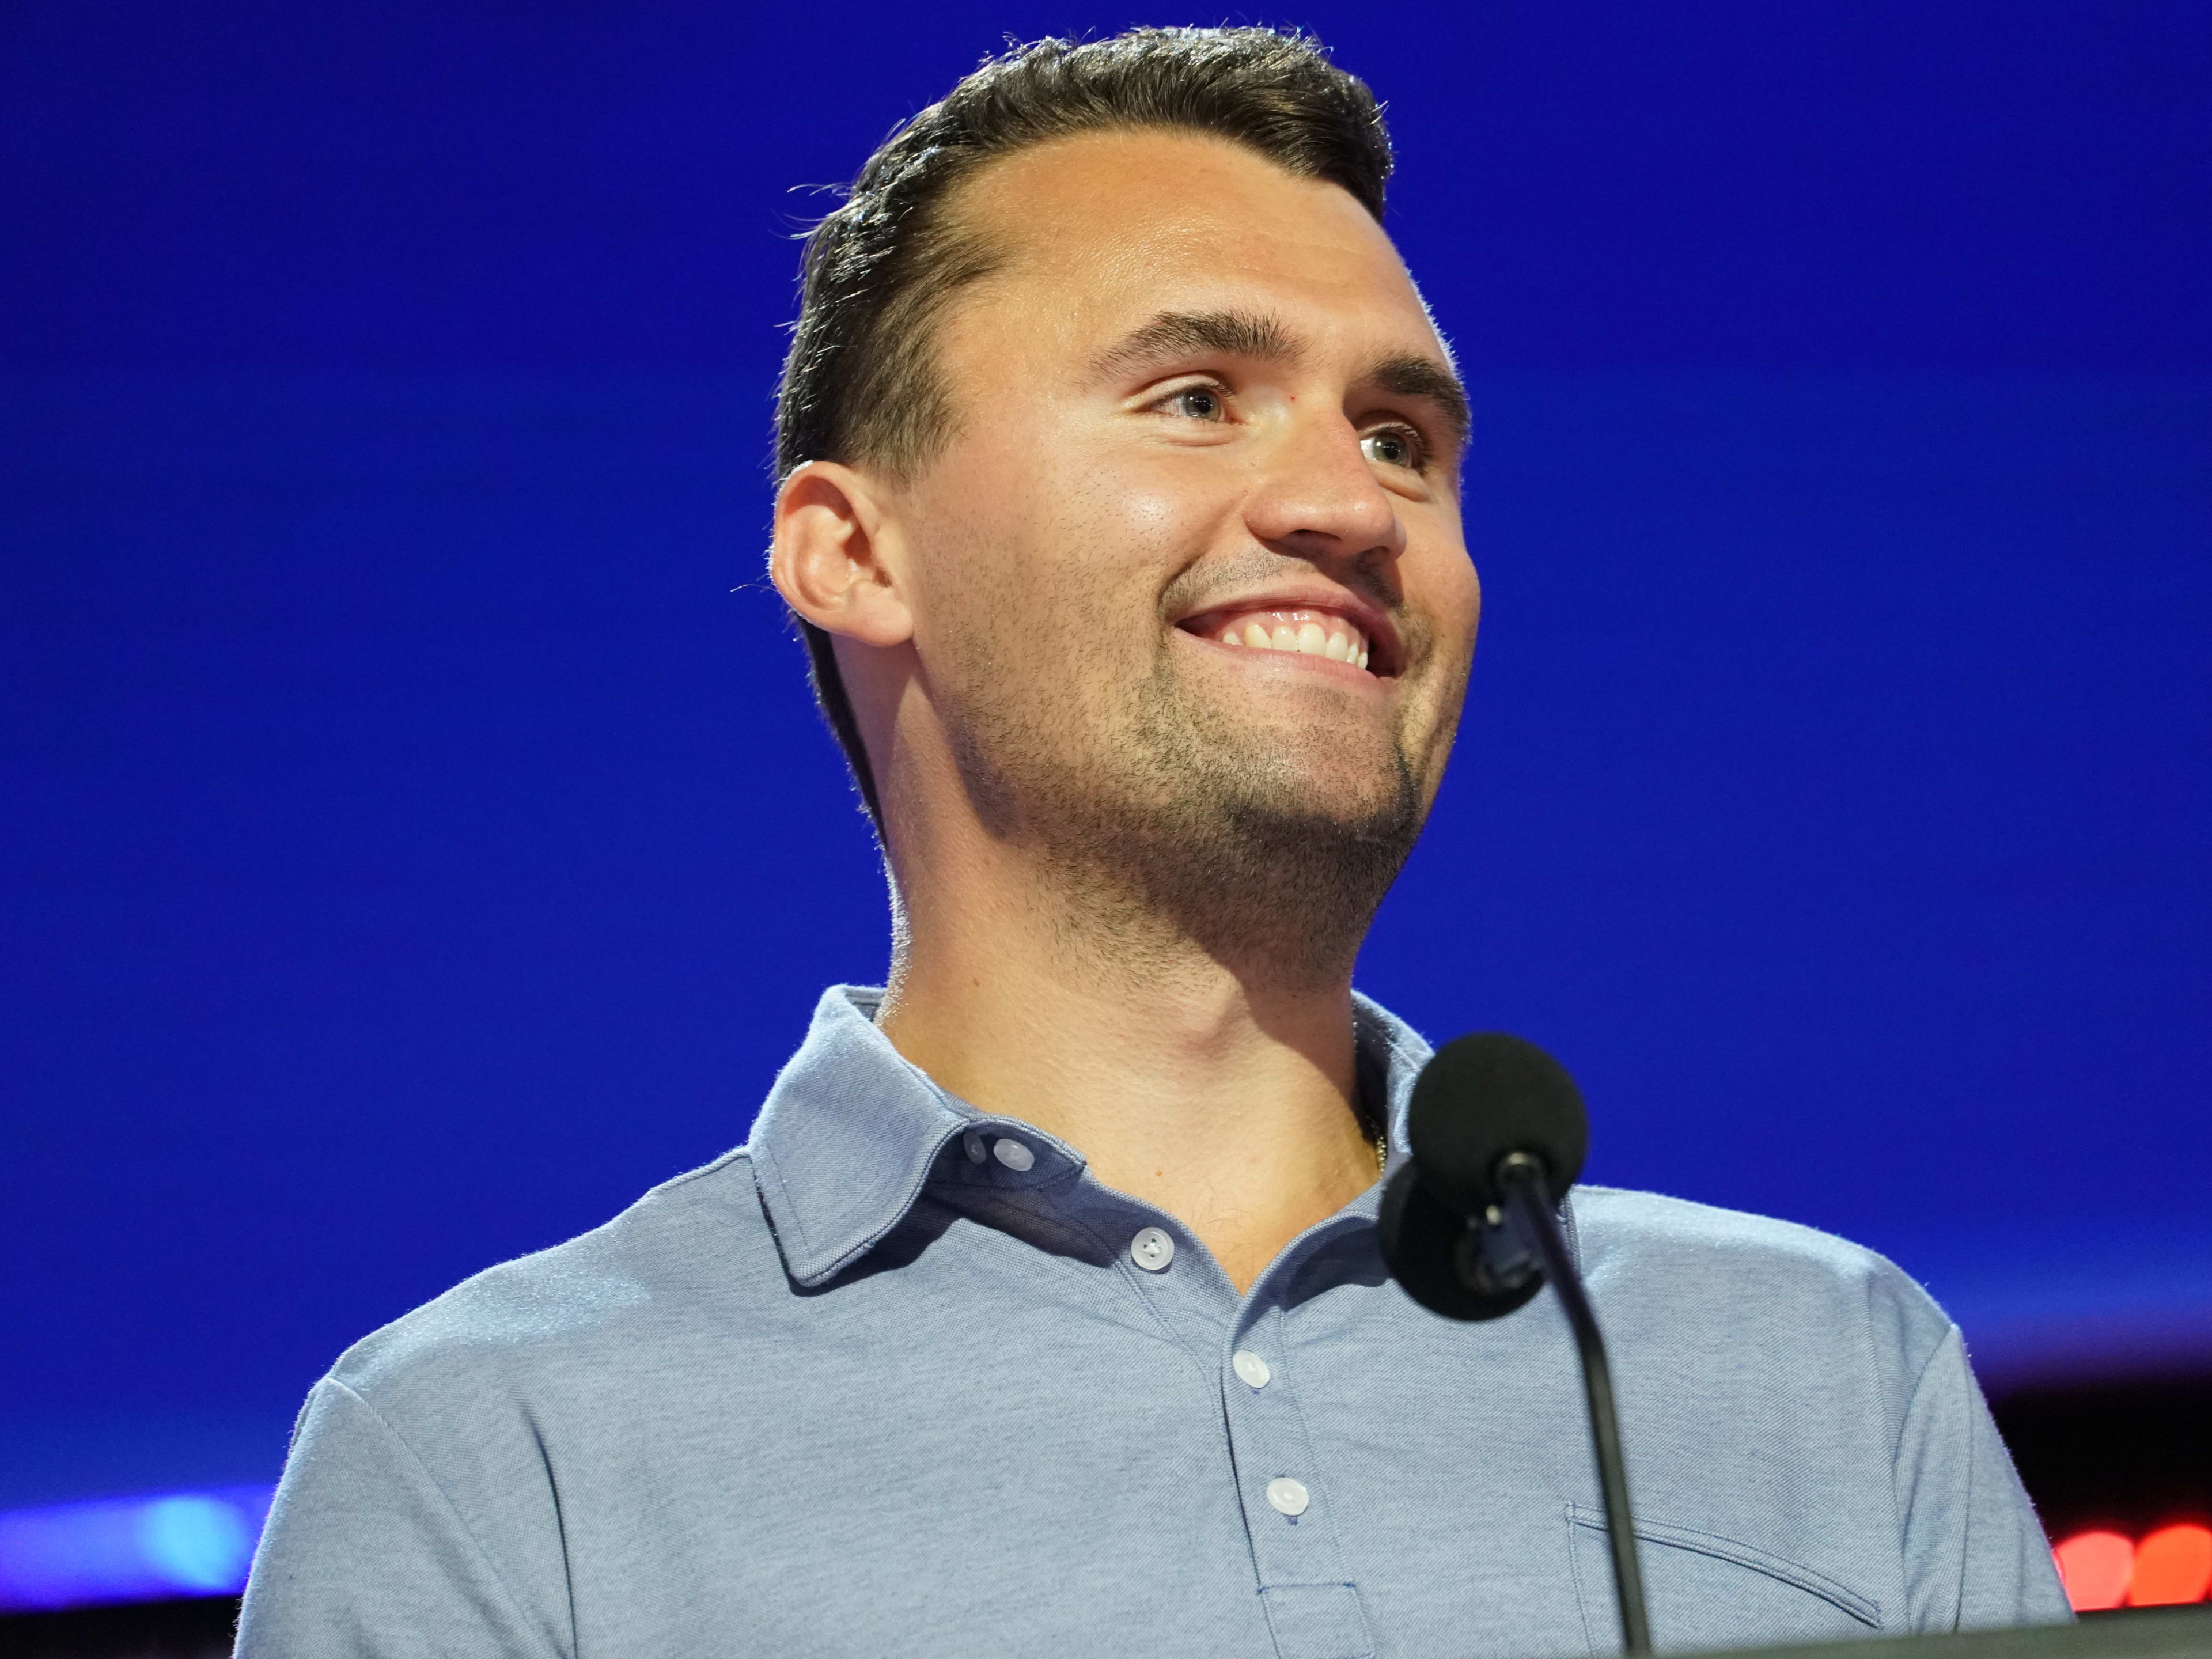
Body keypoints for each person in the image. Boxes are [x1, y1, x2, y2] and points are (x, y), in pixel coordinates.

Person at [235, 27, 2070, 1658]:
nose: (1350, 502)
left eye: (1404, 438)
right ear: (855, 554)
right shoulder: (496, 1462)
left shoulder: (1829, 1374)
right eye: (1196, 397)